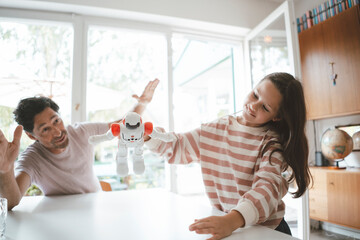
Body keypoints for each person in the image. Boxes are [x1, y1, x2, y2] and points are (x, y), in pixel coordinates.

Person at [144, 73, 311, 239]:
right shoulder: (214, 130)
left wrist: (232, 220)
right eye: (255, 95)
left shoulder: (272, 144)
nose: (254, 105)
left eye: (265, 107)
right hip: (231, 226)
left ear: (277, 116)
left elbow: (267, 190)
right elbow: (177, 146)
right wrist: (148, 136)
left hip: (266, 231)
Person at [0, 79, 159, 210]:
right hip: (59, 217)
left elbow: (121, 126)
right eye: (46, 129)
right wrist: (6, 169)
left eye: (57, 121)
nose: (57, 132)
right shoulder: (32, 158)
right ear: (31, 135)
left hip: (96, 207)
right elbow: (12, 201)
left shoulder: (82, 132)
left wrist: (143, 103)